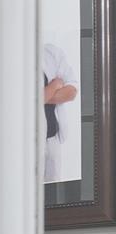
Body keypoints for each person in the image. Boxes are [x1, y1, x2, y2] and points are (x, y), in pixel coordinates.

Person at [43, 39, 80, 184]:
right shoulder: (12, 59)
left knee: (54, 190)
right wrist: (55, 85)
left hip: (52, 141)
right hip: (25, 143)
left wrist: (44, 94)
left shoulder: (52, 53)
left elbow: (71, 91)